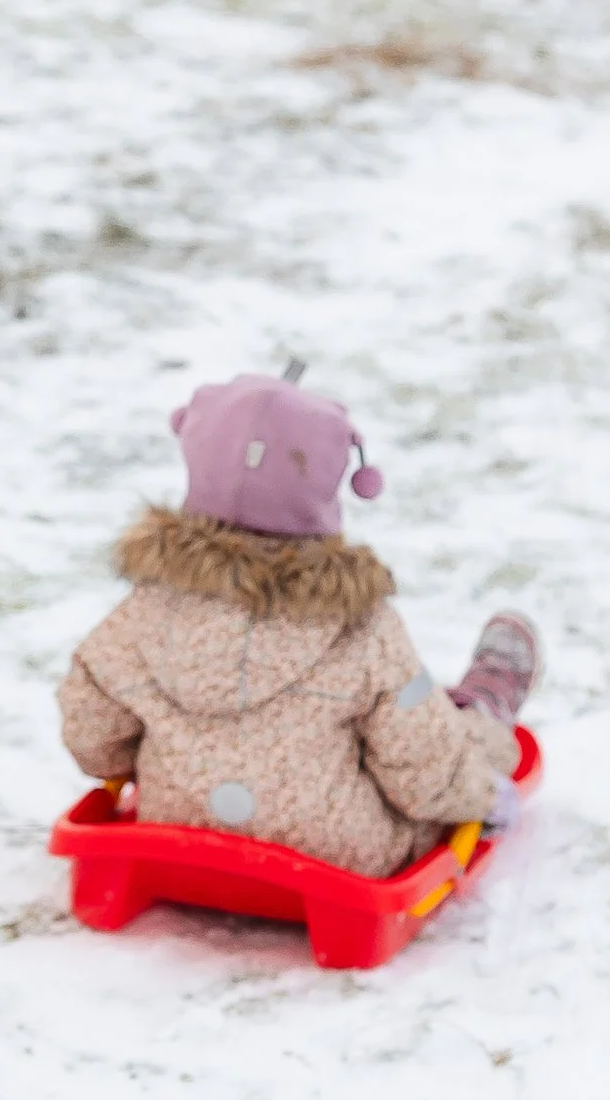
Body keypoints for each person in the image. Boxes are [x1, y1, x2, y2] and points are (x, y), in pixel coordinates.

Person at [54, 364, 537, 874]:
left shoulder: (141, 613)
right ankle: (483, 708)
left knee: (402, 716)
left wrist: (174, 760)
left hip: (175, 831)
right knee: (439, 731)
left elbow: (92, 737)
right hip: (341, 858)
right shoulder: (360, 628)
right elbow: (424, 771)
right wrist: (482, 798)